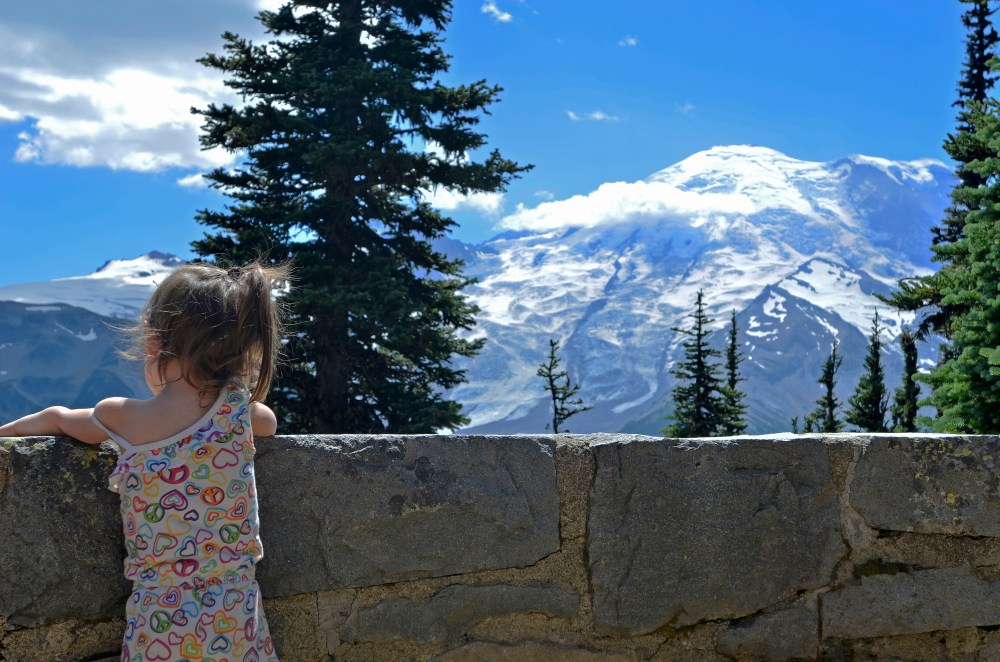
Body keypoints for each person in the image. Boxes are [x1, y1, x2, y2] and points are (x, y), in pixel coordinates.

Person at [0, 261, 288, 662]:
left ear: (154, 343)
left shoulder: (123, 417)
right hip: (237, 616)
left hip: (160, 622)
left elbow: (57, 418)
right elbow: (269, 424)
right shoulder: (241, 413)